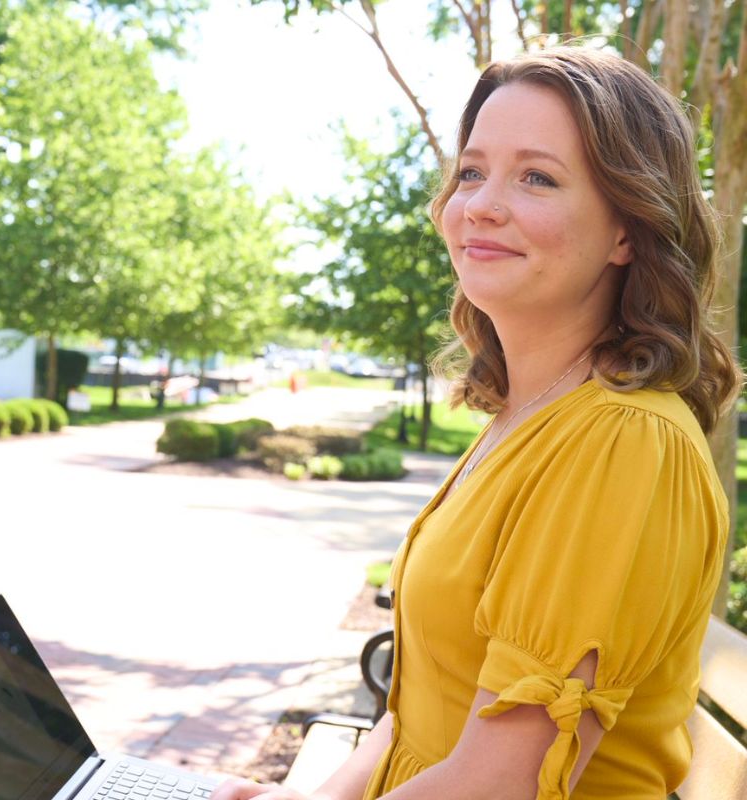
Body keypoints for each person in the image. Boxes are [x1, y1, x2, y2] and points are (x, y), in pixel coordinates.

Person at [210, 45, 741, 800]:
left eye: (537, 177)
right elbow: (417, 714)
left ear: (628, 230)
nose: (481, 204)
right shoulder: (525, 418)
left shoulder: (624, 442)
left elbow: (498, 784)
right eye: (471, 171)